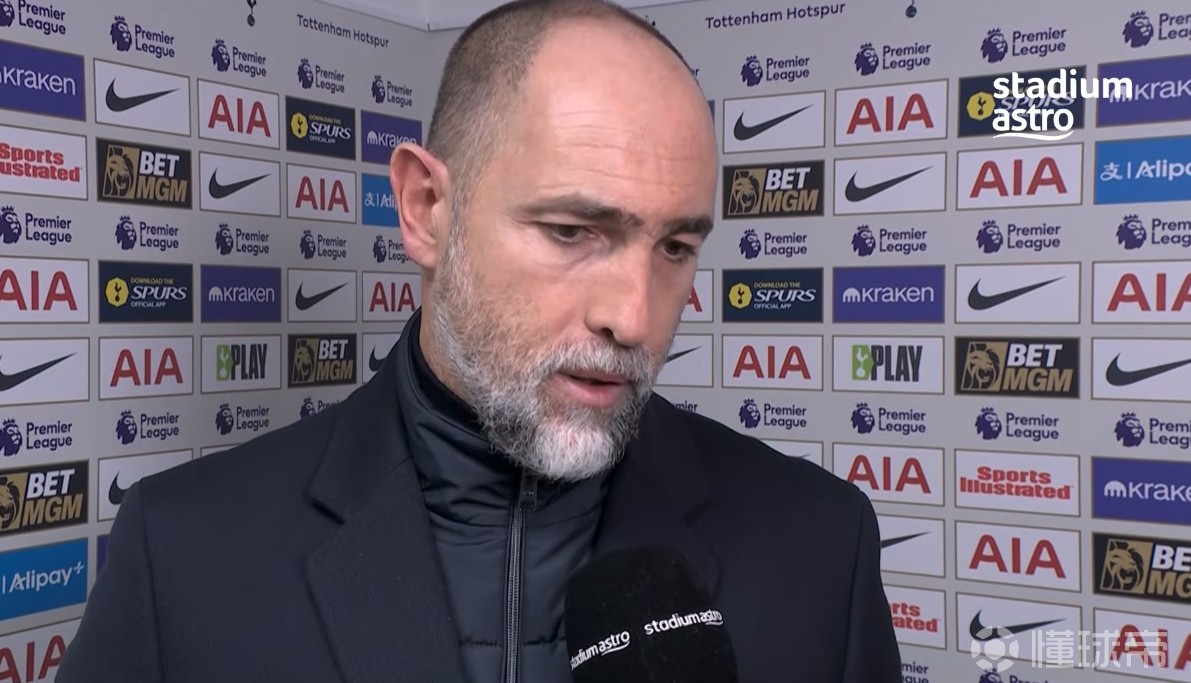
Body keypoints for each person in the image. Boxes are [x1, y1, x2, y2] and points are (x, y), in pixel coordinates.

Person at [57, 0, 901, 680]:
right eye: (572, 231)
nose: (634, 317)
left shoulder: (818, 546)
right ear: (426, 208)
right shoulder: (183, 554)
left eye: (675, 247)